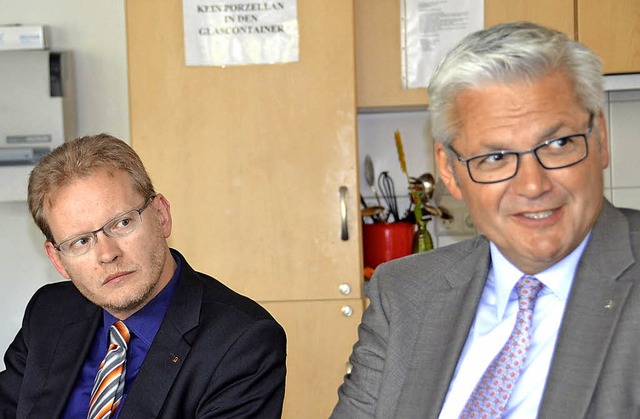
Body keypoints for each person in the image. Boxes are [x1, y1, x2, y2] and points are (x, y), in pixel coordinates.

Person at [332, 21, 640, 418]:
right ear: (449, 171)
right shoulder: (405, 294)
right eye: (495, 157)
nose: (532, 185)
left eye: (558, 144)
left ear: (599, 139)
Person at [0, 134, 287, 418]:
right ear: (58, 260)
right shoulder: (50, 312)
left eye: (122, 223)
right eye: (81, 242)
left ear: (161, 215)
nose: (107, 253)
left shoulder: (242, 343)